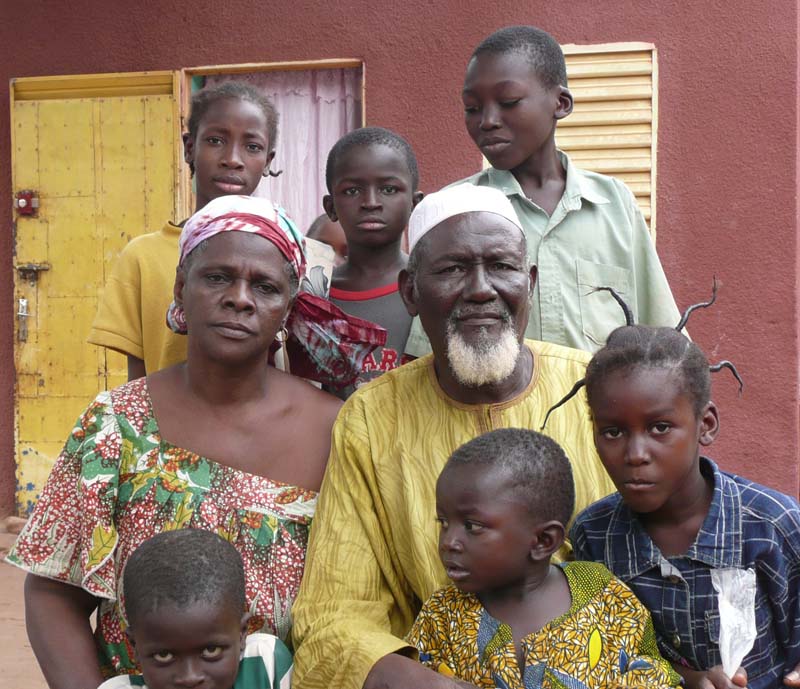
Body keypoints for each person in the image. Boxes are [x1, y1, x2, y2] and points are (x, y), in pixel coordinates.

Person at [7, 195, 384, 689]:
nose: (240, 298)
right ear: (181, 288)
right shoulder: (117, 425)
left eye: (265, 286)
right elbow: (54, 592)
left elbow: (363, 604)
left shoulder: (339, 430)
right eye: (218, 277)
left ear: (288, 309)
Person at [291, 183, 615, 689]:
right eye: (453, 270)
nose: (481, 289)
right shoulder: (372, 420)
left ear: (529, 281)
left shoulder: (598, 391)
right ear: (410, 292)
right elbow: (333, 614)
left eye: (501, 266)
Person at [563, 286, 800, 689]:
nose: (635, 454)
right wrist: (686, 680)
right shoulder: (592, 537)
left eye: (660, 428)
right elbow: (599, 658)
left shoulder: (773, 527)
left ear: (705, 425)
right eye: (613, 432)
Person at [404, 25, 680, 358]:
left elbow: (662, 331)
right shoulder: (456, 211)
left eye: (508, 102)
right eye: (472, 108)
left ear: (560, 103)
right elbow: (427, 351)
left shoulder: (613, 203)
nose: (487, 120)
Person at [407, 428, 680, 689]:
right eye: (443, 522)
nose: (449, 542)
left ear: (543, 541)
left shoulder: (603, 596)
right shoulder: (442, 615)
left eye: (472, 526)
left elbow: (650, 675)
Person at [88, 81, 280, 380]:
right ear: (190, 148)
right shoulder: (143, 257)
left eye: (252, 147)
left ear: (267, 161)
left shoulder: (285, 256)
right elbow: (138, 380)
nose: (232, 159)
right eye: (215, 141)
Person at [98, 529, 292, 689]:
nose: (189, 678)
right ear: (134, 646)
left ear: (242, 634)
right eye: (164, 655)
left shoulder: (264, 664)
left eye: (211, 650)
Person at [322, 127, 424, 398]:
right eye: (352, 190)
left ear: (414, 203)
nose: (370, 202)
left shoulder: (430, 288)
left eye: (389, 189)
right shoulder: (315, 296)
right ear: (331, 207)